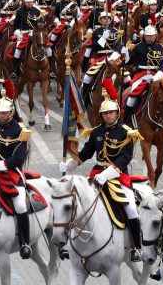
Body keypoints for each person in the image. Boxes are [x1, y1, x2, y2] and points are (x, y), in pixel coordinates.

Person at [60, 93, 142, 262]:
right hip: (97, 174)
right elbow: (86, 153)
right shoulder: (97, 132)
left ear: (117, 113)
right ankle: (70, 242)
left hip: (118, 176)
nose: (108, 116)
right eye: (105, 113)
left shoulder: (126, 133)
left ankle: (136, 246)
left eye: (111, 112)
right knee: (78, 202)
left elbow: (124, 159)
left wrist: (107, 174)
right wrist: (71, 163)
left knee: (131, 208)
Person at [0, 97, 33, 258]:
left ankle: (25, 243)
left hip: (11, 172)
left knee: (21, 206)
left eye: (4, 113)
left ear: (11, 112)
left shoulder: (19, 131)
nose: (1, 116)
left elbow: (18, 159)